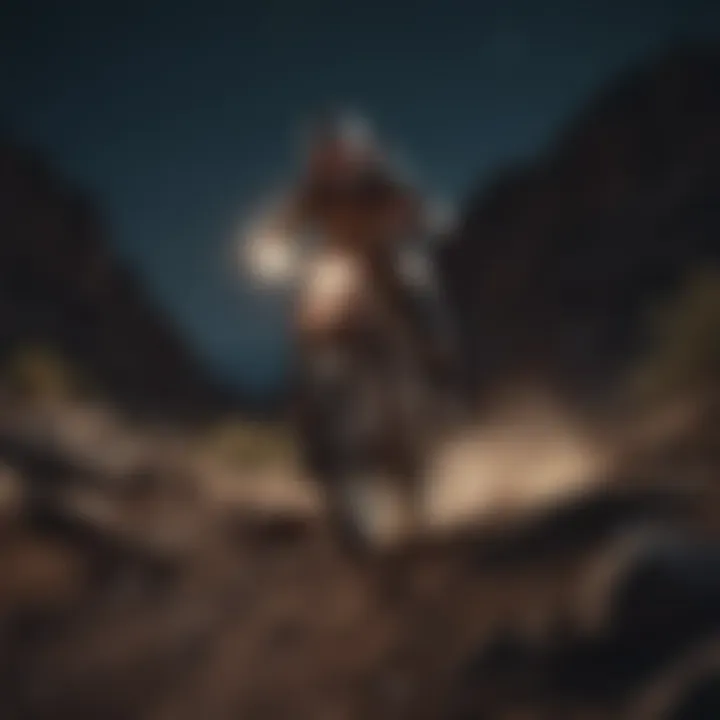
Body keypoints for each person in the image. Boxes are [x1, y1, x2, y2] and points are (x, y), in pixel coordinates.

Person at [252, 111, 461, 546]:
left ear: (356, 153)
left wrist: (422, 222)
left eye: (338, 154)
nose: (331, 162)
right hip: (333, 277)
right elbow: (279, 227)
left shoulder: (382, 183)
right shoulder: (311, 194)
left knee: (419, 298)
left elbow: (420, 209)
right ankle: (313, 428)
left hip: (383, 268)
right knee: (305, 337)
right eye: (323, 155)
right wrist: (268, 251)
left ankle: (440, 377)